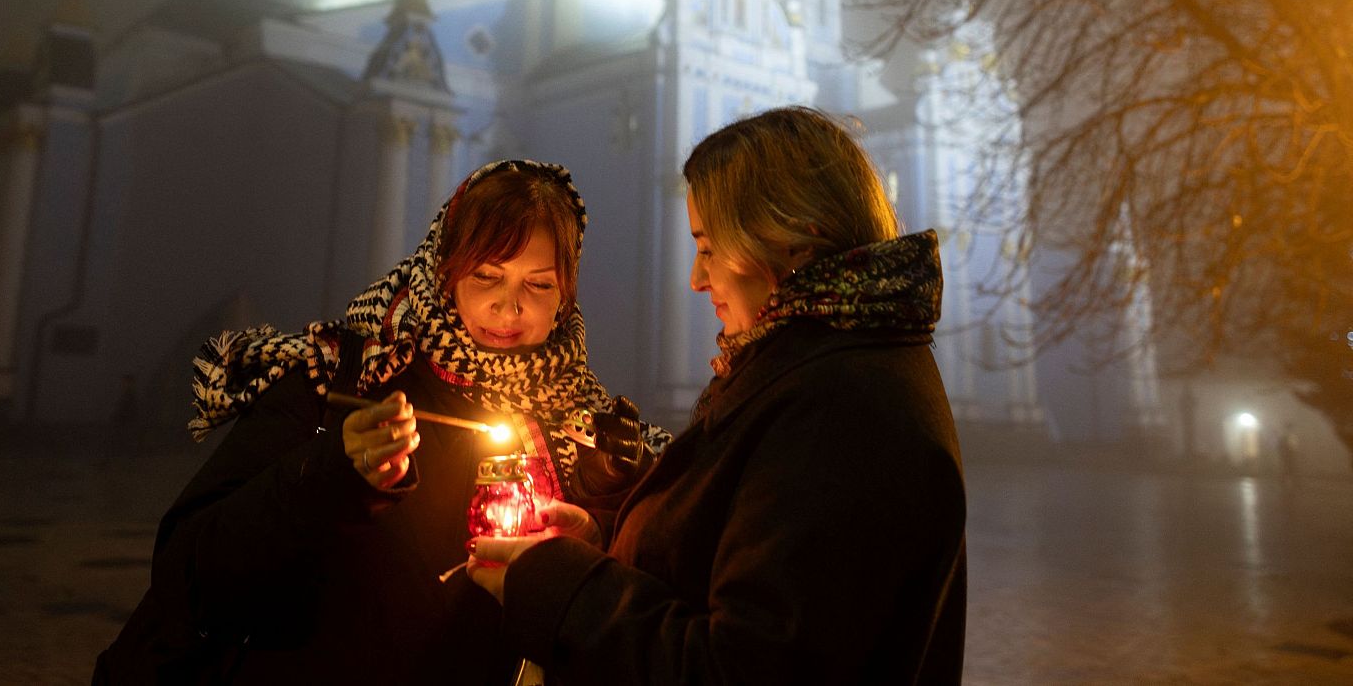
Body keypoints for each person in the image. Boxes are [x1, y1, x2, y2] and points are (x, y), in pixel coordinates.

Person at [94, 159, 665, 685]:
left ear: (565, 294)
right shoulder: (345, 378)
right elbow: (191, 570)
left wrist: (594, 536)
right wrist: (330, 475)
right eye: (486, 276)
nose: (509, 307)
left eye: (537, 284)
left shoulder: (587, 424)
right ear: (444, 273)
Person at [469, 107, 968, 684]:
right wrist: (608, 546)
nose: (695, 279)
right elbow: (744, 565)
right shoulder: (817, 366)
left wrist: (564, 589)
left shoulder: (842, 410)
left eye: (707, 247)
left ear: (790, 239)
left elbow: (745, 668)